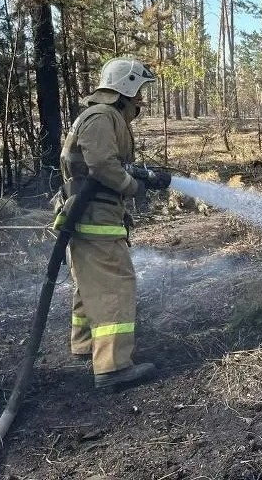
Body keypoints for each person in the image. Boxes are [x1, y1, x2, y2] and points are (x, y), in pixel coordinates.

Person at [53, 57, 171, 389]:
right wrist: (132, 187)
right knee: (114, 284)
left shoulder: (100, 117)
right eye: (139, 93)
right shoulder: (103, 116)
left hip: (89, 214)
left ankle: (87, 344)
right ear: (126, 87)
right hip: (94, 217)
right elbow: (102, 163)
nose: (141, 101)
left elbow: (103, 162)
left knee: (90, 283)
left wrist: (139, 175)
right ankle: (113, 366)